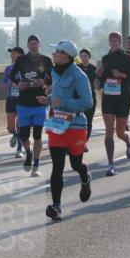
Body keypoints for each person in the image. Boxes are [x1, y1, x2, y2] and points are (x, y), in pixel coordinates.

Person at [42, 40, 93, 221]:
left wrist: (61, 102)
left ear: (66, 55)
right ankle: (56, 206)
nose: (54, 54)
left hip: (76, 124)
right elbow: (57, 95)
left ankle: (85, 178)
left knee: (76, 164)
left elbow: (87, 102)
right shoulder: (54, 72)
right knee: (57, 166)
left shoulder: (79, 76)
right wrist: (49, 99)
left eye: (57, 51)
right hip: (57, 124)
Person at [9, 34, 53, 177]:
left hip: (40, 102)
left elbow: (53, 77)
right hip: (24, 103)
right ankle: (28, 152)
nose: (33, 46)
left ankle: (36, 165)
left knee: (38, 135)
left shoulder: (46, 60)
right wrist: (19, 83)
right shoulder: (21, 59)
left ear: (40, 45)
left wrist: (44, 82)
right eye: (31, 43)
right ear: (27, 45)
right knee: (24, 136)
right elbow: (12, 76)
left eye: (36, 43)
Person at [97, 32, 130, 176]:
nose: (113, 43)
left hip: (123, 97)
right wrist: (99, 76)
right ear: (109, 42)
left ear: (120, 42)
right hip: (108, 97)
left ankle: (128, 141)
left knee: (120, 133)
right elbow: (102, 79)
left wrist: (121, 75)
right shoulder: (105, 58)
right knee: (109, 130)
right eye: (111, 40)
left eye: (116, 40)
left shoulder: (127, 57)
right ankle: (111, 164)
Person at [2, 46, 25, 158]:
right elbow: (3, 83)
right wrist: (6, 84)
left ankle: (19, 149)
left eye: (14, 53)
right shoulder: (8, 68)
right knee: (11, 128)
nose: (11, 56)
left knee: (19, 125)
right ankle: (15, 136)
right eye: (11, 54)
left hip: (23, 99)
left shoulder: (26, 68)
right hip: (11, 98)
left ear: (20, 56)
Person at [78, 48, 98, 154]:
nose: (83, 58)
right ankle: (76, 143)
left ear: (89, 57)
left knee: (88, 122)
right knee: (77, 122)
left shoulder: (94, 69)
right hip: (78, 99)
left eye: (85, 56)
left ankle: (84, 143)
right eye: (81, 56)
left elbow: (97, 85)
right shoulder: (77, 68)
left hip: (90, 99)